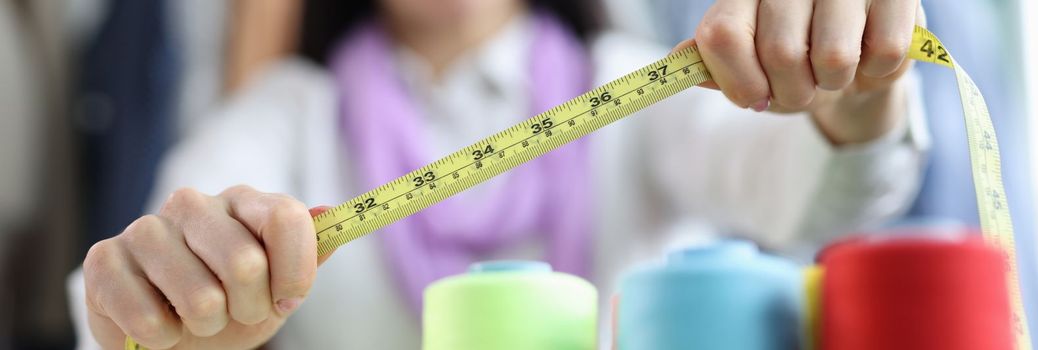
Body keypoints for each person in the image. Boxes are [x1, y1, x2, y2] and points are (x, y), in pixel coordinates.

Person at [72, 0, 930, 348]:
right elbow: (123, 299)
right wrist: (149, 295)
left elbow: (824, 187)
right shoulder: (286, 112)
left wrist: (853, 91)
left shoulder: (640, 74)